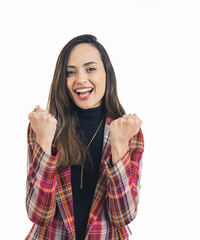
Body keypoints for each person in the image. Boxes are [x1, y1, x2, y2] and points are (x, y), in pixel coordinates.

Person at [25, 34, 144, 240]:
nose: (80, 79)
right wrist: (44, 143)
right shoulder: (44, 126)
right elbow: (38, 213)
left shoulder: (127, 130)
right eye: (70, 72)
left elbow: (123, 215)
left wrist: (118, 147)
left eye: (90, 69)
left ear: (106, 73)